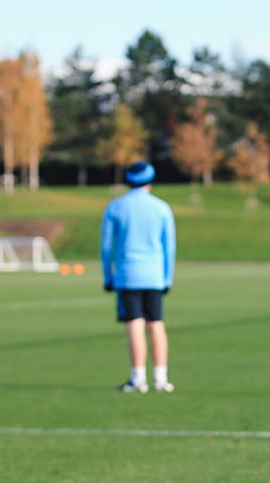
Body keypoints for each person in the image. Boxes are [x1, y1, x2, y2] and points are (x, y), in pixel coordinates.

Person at [100, 161, 176, 393]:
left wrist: (108, 276)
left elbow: (106, 246)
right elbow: (169, 247)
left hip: (127, 274)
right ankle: (161, 378)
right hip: (154, 275)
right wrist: (167, 278)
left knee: (134, 323)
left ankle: (138, 378)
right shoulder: (162, 208)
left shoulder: (115, 207)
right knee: (156, 324)